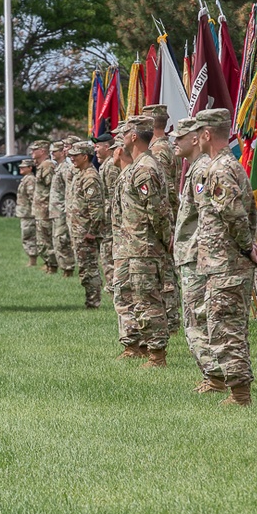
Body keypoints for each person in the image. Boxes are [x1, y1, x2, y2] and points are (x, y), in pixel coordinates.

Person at [195, 108, 257, 405]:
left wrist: (246, 245)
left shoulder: (221, 169)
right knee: (225, 325)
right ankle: (238, 390)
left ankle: (240, 394)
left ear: (207, 134)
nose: (196, 137)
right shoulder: (227, 165)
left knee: (225, 327)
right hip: (223, 261)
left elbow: (233, 213)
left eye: (199, 132)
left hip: (227, 261)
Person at [116, 115, 174, 367]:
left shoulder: (146, 169)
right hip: (132, 246)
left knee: (148, 300)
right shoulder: (135, 166)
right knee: (133, 297)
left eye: (125, 131)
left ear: (134, 136)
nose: (121, 136)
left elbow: (157, 211)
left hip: (145, 247)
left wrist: (166, 239)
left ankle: (157, 354)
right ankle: (137, 347)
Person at [171, 117, 222, 392]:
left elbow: (207, 216)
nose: (174, 142)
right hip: (190, 253)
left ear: (196, 139)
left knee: (197, 317)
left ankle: (215, 376)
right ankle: (212, 374)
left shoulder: (202, 169)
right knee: (195, 315)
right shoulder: (194, 169)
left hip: (197, 256)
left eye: (180, 137)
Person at [142, 103, 182, 334]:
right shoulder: (163, 146)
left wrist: (164, 226)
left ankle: (171, 319)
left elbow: (163, 192)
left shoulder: (158, 151)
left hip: (163, 216)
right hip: (167, 215)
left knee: (165, 273)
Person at [110, 123, 147, 359]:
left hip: (136, 247)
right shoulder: (125, 176)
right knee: (124, 295)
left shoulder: (138, 172)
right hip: (125, 246)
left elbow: (154, 212)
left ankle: (141, 346)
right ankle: (134, 345)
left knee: (134, 296)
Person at [68, 141, 105, 309]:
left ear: (85, 156)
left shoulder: (90, 177)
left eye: (75, 155)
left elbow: (96, 207)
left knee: (89, 268)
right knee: (84, 267)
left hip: (86, 232)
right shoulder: (81, 174)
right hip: (79, 230)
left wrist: (93, 231)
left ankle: (93, 302)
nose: (72, 158)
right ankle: (90, 300)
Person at [94, 130, 119, 293]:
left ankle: (113, 288)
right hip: (109, 218)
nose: (95, 150)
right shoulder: (106, 165)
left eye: (98, 147)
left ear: (107, 147)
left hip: (110, 220)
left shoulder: (110, 166)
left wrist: (104, 218)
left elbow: (112, 196)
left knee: (108, 255)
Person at [49, 141, 76, 277]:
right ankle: (64, 267)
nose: (52, 153)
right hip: (56, 210)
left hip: (62, 210)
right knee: (57, 239)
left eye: (55, 151)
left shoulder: (66, 168)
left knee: (61, 240)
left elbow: (70, 190)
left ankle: (68, 268)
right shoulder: (60, 167)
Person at [30, 140, 57, 273]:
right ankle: (48, 263)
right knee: (41, 239)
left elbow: (52, 187)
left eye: (34, 150)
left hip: (45, 208)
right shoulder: (41, 165)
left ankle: (52, 265)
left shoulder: (47, 165)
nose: (31, 153)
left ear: (42, 151)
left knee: (46, 238)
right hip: (40, 208)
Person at [16, 158, 38, 266]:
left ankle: (32, 260)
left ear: (30, 168)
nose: (21, 168)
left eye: (23, 167)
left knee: (29, 236)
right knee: (26, 235)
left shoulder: (30, 179)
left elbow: (32, 196)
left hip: (29, 214)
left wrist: (34, 212)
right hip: (25, 213)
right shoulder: (26, 179)